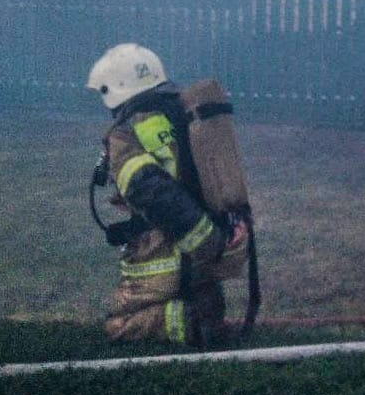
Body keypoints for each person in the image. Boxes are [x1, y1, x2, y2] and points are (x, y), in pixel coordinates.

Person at [86, 43, 247, 346]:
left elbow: (150, 189)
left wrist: (204, 240)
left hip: (169, 247)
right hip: (206, 243)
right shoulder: (184, 115)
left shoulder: (126, 133)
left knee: (119, 326)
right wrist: (212, 240)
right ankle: (206, 318)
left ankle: (193, 326)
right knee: (198, 293)